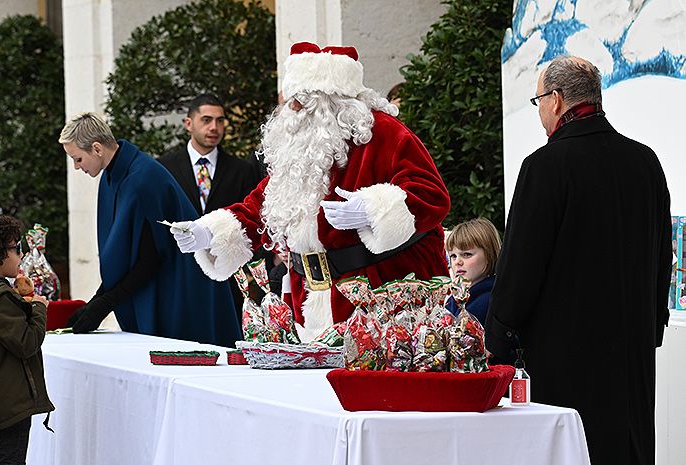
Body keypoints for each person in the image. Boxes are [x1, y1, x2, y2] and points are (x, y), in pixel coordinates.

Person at [171, 42, 450, 341]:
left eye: (299, 100)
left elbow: (432, 195)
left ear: (330, 101)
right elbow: (263, 206)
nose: (291, 109)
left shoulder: (384, 132)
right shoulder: (298, 149)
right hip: (306, 299)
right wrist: (210, 233)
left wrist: (374, 210)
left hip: (378, 297)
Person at [484, 56, 671, 465]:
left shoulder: (545, 167)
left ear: (555, 99)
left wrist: (495, 341)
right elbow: (663, 260)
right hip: (631, 356)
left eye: (538, 103)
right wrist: (651, 328)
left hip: (564, 357)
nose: (539, 115)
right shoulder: (645, 162)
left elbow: (520, 269)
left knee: (572, 452)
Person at [59, 112, 240, 346]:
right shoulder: (111, 176)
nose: (75, 167)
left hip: (180, 292)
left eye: (78, 159)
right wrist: (99, 301)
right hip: (157, 284)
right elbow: (125, 255)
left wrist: (103, 304)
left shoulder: (142, 178)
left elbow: (151, 257)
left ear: (97, 148)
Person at [158, 94, 261, 321]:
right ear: (188, 123)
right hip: (177, 279)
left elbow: (253, 221)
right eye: (206, 120)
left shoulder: (242, 170)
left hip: (227, 282)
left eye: (220, 120)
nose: (214, 127)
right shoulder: (164, 168)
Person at [0, 214, 54, 465]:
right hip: (8, 406)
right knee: (9, 459)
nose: (21, 255)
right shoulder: (1, 297)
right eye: (15, 249)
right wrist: (38, 308)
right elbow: (26, 342)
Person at [445, 217, 501, 325]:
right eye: (453, 256)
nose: (457, 262)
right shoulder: (453, 299)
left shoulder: (492, 301)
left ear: (489, 255)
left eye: (466, 254)